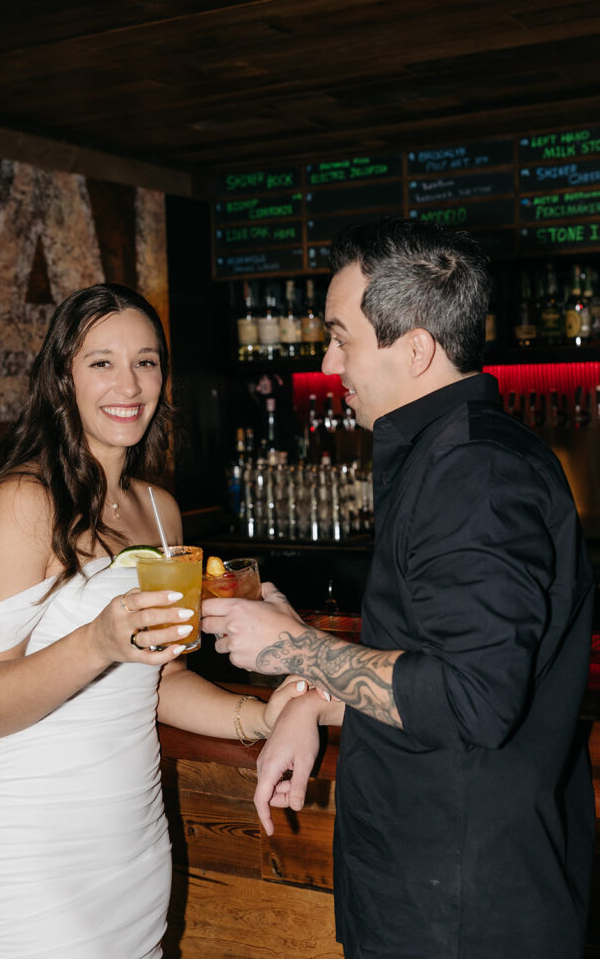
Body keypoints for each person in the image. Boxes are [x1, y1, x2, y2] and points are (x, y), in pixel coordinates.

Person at [202, 218, 596, 959]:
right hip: (436, 881)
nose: (327, 360)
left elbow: (472, 699)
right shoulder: (445, 454)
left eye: (342, 337)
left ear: (415, 348)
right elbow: (429, 655)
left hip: (462, 904)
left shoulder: (473, 473)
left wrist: (298, 649)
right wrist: (312, 698)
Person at [0, 282, 305, 959]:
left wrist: (256, 718)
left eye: (146, 360)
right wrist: (97, 641)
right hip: (24, 854)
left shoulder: (159, 510)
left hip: (129, 850)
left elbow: (156, 680)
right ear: (62, 378)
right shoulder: (23, 502)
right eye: (101, 361)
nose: (128, 383)